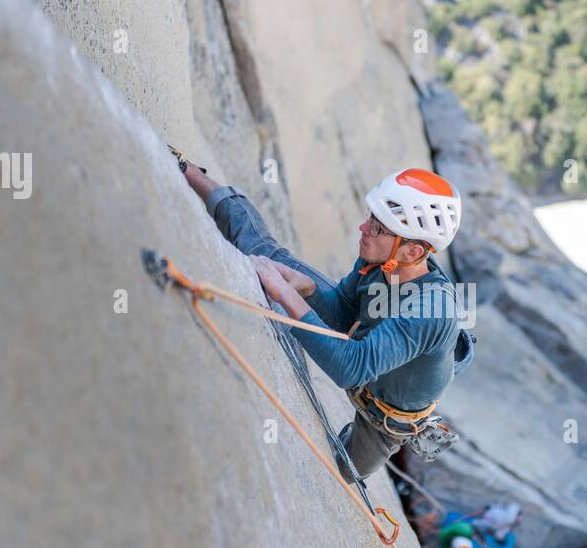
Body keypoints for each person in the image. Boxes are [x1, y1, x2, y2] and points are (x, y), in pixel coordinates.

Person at [180, 158, 472, 482]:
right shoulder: (380, 259)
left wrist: (286, 297)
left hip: (387, 416)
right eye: (370, 218)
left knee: (347, 469)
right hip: (371, 357)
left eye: (377, 228)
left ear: (413, 253)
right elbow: (344, 313)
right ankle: (189, 172)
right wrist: (307, 291)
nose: (364, 229)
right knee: (269, 257)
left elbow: (351, 368)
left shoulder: (432, 311)